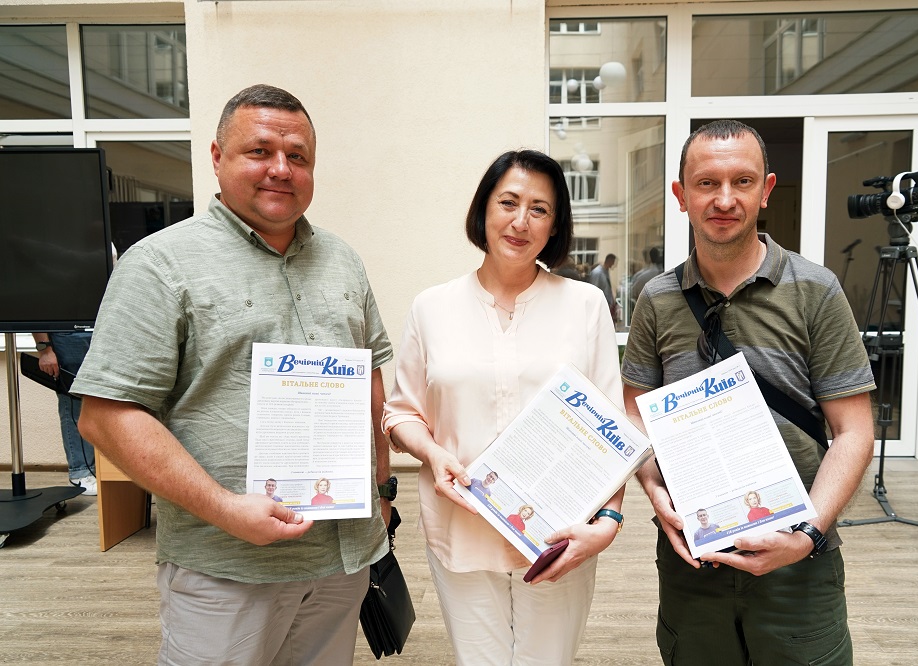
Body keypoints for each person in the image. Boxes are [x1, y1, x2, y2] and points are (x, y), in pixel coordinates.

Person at [73, 84, 395, 666]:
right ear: (217, 157)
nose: (281, 169)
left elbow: (369, 383)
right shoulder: (159, 264)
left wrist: (383, 488)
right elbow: (105, 416)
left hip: (342, 559)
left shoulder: (343, 260)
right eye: (260, 151)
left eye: (298, 156)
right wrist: (225, 509)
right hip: (228, 566)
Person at [622, 119, 875, 665]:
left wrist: (806, 535)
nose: (724, 199)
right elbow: (634, 412)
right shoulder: (657, 298)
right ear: (681, 195)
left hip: (798, 561)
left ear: (766, 190)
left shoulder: (816, 290)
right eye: (706, 183)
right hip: (693, 556)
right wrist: (655, 491)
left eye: (742, 181)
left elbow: (853, 431)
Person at [382, 149, 626, 665]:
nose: (521, 221)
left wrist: (607, 520)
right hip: (462, 528)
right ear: (483, 209)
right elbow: (401, 413)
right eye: (508, 202)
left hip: (559, 533)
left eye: (539, 209)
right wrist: (432, 454)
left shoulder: (585, 306)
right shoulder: (432, 307)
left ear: (555, 225)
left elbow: (613, 432)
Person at [30, 331, 97, 495]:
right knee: (74, 401)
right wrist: (45, 349)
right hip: (68, 336)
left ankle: (104, 471)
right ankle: (81, 472)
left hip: (100, 330)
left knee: (107, 400)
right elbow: (33, 315)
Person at [588, 253, 617, 318]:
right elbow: (594, 290)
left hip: (606, 304)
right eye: (613, 262)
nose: (613, 265)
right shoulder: (597, 273)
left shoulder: (605, 271)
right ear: (610, 261)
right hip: (600, 306)